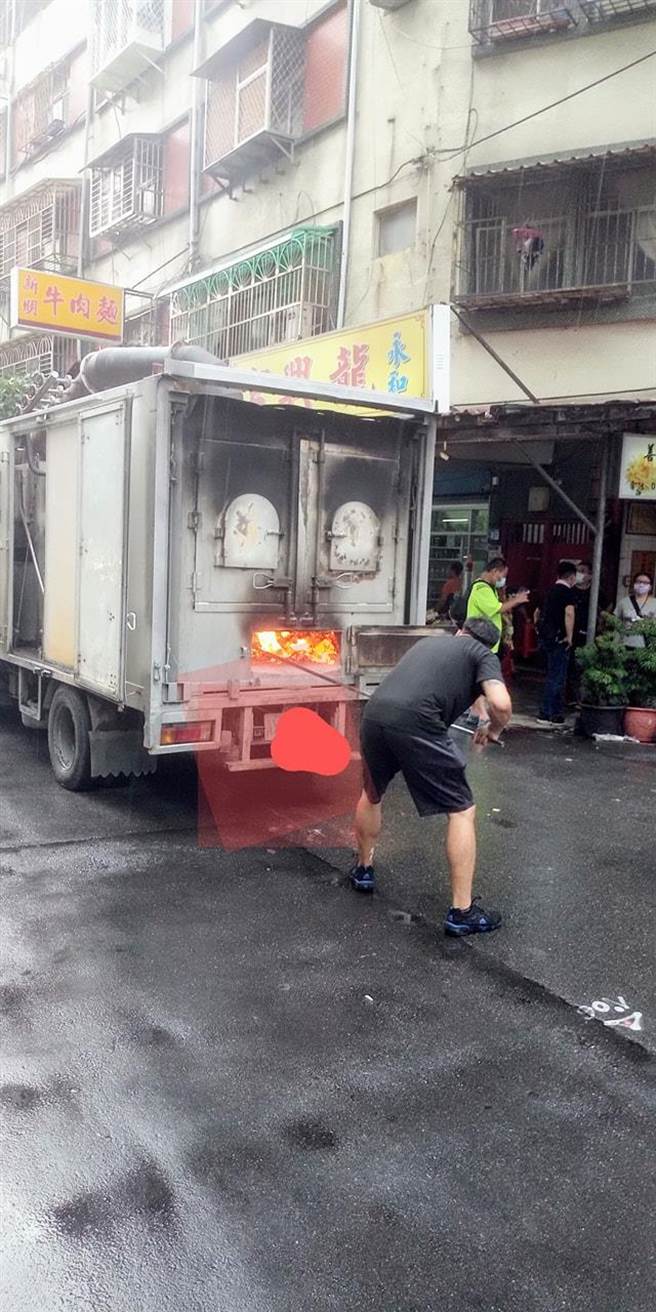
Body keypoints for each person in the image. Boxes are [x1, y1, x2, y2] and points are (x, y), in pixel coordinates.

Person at [349, 618, 512, 937]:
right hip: (418, 721)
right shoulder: (483, 655)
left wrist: (478, 709)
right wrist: (494, 729)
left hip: (376, 713)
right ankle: (462, 912)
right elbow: (501, 703)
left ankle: (363, 870)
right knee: (462, 810)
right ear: (489, 645)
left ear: (461, 631)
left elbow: (465, 689)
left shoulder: (431, 643)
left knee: (371, 792)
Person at [535, 560, 577, 725]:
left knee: (552, 675)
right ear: (572, 577)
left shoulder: (549, 591)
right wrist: (570, 636)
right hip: (560, 638)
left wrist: (540, 630)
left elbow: (537, 613)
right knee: (557, 676)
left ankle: (551, 712)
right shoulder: (567, 592)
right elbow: (569, 614)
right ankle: (549, 713)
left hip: (547, 638)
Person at [466, 557, 530, 655]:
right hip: (482, 644)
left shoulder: (491, 588)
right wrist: (516, 600)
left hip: (487, 643)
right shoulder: (482, 589)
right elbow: (498, 608)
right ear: (494, 571)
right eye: (503, 576)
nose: (502, 580)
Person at [615, 571, 656, 648]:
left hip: (647, 646)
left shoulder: (654, 603)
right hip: (625, 644)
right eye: (638, 581)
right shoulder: (624, 602)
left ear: (650, 587)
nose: (641, 585)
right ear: (634, 584)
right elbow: (616, 623)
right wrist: (615, 643)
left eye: (645, 582)